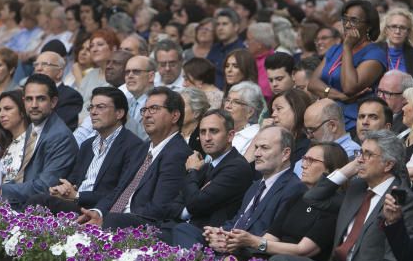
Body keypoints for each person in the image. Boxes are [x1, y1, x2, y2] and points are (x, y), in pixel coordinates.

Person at [272, 131, 413, 261]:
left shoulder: (402, 199)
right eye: (360, 153)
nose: (360, 159)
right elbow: (312, 198)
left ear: (388, 165)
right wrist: (347, 171)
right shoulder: (357, 188)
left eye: (368, 154)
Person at [78, 86, 191, 229]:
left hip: (144, 225)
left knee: (112, 221)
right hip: (116, 218)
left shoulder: (178, 153)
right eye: (144, 110)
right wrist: (98, 212)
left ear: (175, 116)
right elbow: (119, 189)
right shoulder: (143, 148)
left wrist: (108, 219)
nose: (147, 115)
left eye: (154, 109)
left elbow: (160, 207)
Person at [222, 142, 349, 261]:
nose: (303, 165)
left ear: (331, 169)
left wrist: (254, 242)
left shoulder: (333, 205)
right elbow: (269, 238)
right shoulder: (298, 196)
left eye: (311, 161)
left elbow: (303, 250)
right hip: (272, 258)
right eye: (304, 159)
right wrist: (237, 245)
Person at [29, 86, 142, 212]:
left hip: (98, 209)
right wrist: (61, 189)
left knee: (39, 201)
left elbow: (121, 191)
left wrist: (78, 196)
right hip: (74, 203)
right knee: (40, 198)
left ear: (119, 113)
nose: (93, 112)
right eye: (91, 107)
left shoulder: (133, 146)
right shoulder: (87, 145)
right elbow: (73, 180)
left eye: (100, 107)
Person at [0, 74, 79, 208]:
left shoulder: (60, 136)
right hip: (19, 200)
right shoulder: (33, 127)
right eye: (29, 99)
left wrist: (1, 191)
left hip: (38, 211)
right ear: (24, 101)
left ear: (53, 102)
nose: (34, 105)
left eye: (41, 99)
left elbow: (45, 186)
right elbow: (23, 176)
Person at [165, 109, 256, 247]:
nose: (207, 138)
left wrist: (191, 171)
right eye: (203, 132)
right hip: (184, 230)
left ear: (230, 135)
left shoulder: (237, 167)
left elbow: (195, 203)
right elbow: (172, 205)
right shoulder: (206, 166)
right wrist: (191, 205)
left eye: (213, 131)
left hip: (209, 240)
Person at [309, 0, 386, 132]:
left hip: (352, 123)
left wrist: (347, 47)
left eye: (354, 20)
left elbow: (349, 87)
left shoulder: (375, 53)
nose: (348, 25)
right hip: (324, 118)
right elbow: (312, 83)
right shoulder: (334, 49)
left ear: (368, 26)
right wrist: (339, 96)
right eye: (345, 19)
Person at [377, 7, 413, 85]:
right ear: (386, 30)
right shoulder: (374, 50)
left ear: (408, 32)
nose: (397, 31)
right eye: (393, 26)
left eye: (402, 28)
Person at [206, 9, 246, 86]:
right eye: (218, 24)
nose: (220, 28)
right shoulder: (215, 48)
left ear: (236, 27)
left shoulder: (241, 51)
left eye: (224, 24)